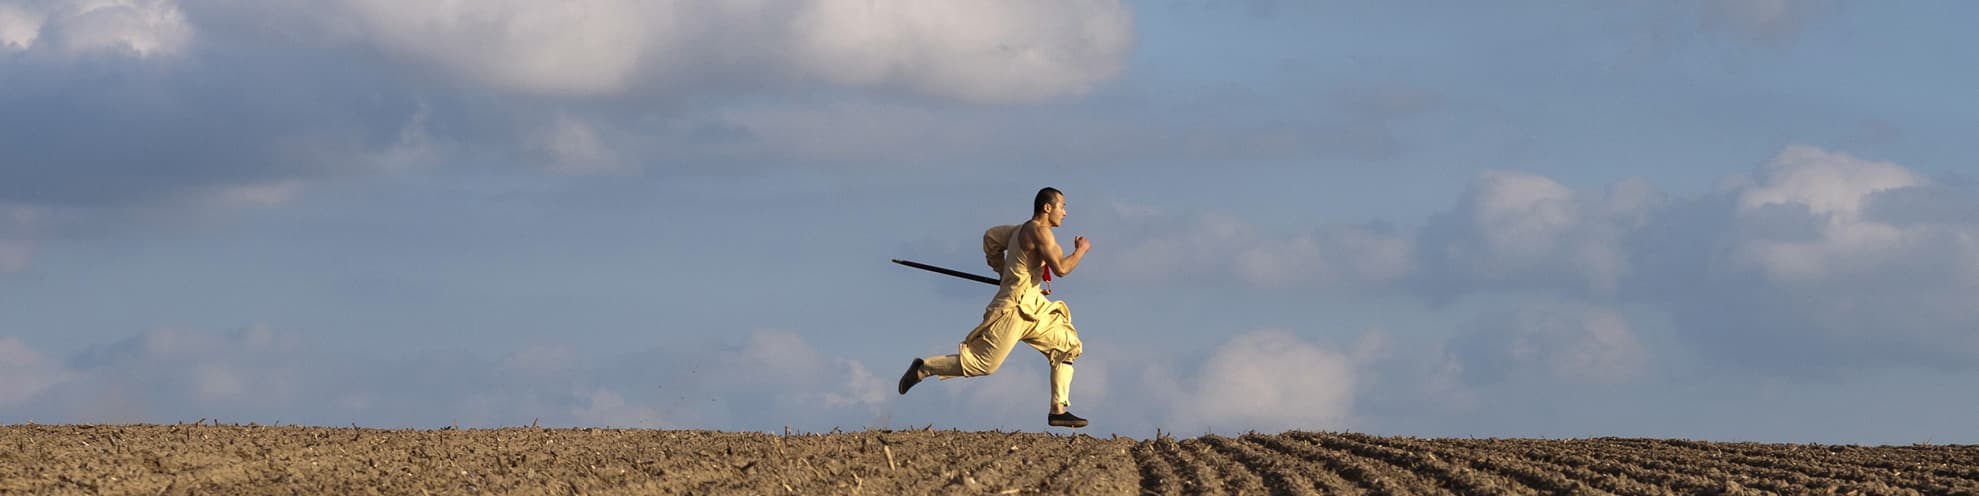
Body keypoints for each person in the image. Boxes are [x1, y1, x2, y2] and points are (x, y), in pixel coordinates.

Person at [898, 187, 1092, 428]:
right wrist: (1080, 251)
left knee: (1068, 345)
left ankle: (1058, 409)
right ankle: (924, 368)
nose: (1065, 212)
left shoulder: (1019, 230)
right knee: (984, 364)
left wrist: (1006, 274)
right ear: (1047, 207)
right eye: (1062, 206)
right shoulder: (1038, 232)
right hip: (1013, 310)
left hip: (1033, 307)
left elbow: (991, 238)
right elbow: (1061, 269)